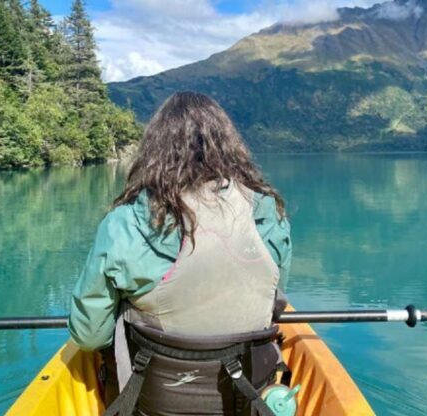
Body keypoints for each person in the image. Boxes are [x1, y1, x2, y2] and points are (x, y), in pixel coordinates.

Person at [69, 91, 292, 416]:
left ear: (154, 151)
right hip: (248, 400)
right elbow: (273, 300)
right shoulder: (268, 214)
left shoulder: (123, 224)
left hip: (151, 405)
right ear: (229, 147)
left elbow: (89, 336)